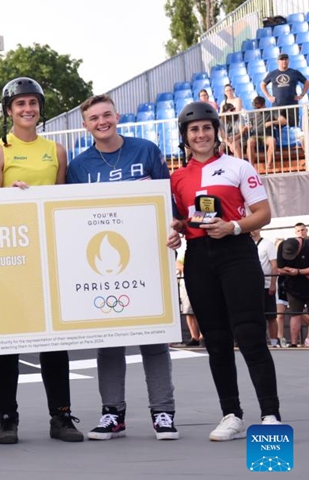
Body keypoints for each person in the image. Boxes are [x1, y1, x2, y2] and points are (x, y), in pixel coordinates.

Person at [67, 94, 179, 441]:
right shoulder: (79, 166)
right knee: (109, 339)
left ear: (116, 116)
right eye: (94, 118)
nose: (102, 122)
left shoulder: (145, 150)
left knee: (154, 336)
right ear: (85, 125)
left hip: (149, 257)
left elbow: (168, 202)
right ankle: (112, 414)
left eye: (106, 115)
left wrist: (174, 230)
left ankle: (163, 412)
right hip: (101, 265)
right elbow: (72, 217)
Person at [169, 101, 281, 441]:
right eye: (193, 130)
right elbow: (179, 218)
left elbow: (263, 214)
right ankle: (231, 414)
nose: (200, 134)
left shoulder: (238, 166)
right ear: (185, 137)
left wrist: (233, 227)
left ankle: (270, 413)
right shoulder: (176, 178)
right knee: (215, 340)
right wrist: (174, 229)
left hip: (236, 251)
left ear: (216, 131)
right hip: (198, 257)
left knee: (249, 334)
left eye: (206, 127)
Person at [0, 76, 83, 444]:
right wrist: (8, 193)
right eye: (19, 104)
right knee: (6, 342)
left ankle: (62, 416)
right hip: (8, 254)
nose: (27, 109)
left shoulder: (56, 151)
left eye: (32, 103)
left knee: (54, 339)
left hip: (46, 252)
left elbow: (59, 201)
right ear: (8, 111)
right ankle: (6, 417)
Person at [277, 236, 309, 347]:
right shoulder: (282, 246)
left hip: (302, 280)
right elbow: (279, 267)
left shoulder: (307, 245)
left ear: (299, 248)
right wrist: (287, 270)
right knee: (294, 314)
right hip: (293, 286)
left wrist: (299, 271)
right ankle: (294, 343)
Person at [261, 53, 309, 127]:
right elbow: (262, 84)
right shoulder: (272, 73)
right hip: (277, 105)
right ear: (278, 61)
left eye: (285, 59)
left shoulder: (294, 72)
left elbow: (306, 82)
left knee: (293, 126)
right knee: (279, 126)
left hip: (292, 104)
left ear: (288, 60)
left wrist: (302, 95)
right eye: (282, 59)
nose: (284, 61)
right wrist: (268, 96)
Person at [251, 229, 278, 347]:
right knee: (255, 315)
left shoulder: (268, 244)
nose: (252, 230)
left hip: (266, 285)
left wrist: (273, 284)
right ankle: (259, 341)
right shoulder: (246, 244)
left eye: (254, 227)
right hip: (251, 285)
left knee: (271, 315)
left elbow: (274, 265)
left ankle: (274, 341)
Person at [244, 96, 285, 169]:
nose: (257, 109)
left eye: (259, 107)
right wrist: (248, 127)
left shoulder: (271, 112)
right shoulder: (251, 114)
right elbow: (248, 125)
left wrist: (272, 122)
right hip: (255, 135)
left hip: (266, 136)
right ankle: (251, 166)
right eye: (256, 108)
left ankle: (268, 164)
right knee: (250, 142)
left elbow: (284, 121)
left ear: (264, 105)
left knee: (273, 141)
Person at [175, 253, 202, 346]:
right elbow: (177, 263)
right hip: (186, 282)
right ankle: (194, 337)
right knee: (188, 311)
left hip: (202, 279)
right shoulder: (181, 248)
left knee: (203, 309)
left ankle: (203, 337)